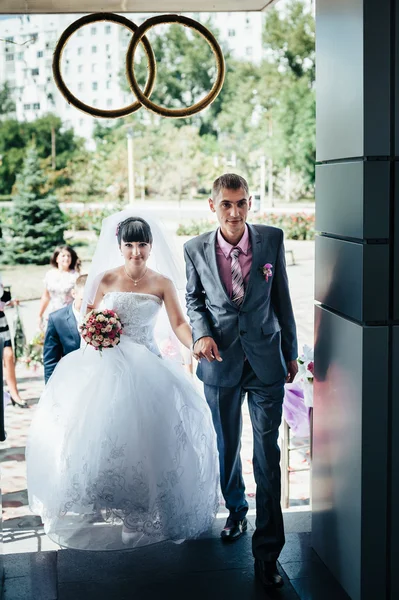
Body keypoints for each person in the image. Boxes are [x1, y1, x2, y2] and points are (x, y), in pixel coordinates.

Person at [26, 212, 219, 551]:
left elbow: (177, 323)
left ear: (150, 246)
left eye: (142, 245)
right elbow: (86, 321)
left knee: (150, 439)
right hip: (107, 367)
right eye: (129, 245)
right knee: (104, 436)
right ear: (119, 246)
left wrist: (197, 343)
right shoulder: (103, 280)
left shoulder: (161, 283)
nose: (136, 252)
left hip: (148, 367)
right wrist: (97, 333)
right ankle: (110, 500)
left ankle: (141, 511)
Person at [184, 173, 298, 590]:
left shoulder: (272, 239)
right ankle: (236, 509)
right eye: (227, 204)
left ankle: (267, 553)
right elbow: (194, 298)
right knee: (226, 445)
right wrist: (201, 333)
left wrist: (290, 352)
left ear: (250, 204)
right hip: (220, 361)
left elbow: (282, 295)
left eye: (242, 203)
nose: (235, 212)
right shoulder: (194, 248)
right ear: (212, 206)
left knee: (267, 454)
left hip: (266, 361)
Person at [43, 274, 88, 383]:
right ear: (74, 293)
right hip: (71, 378)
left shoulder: (104, 317)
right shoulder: (57, 319)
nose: (87, 304)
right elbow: (50, 359)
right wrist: (50, 388)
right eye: (83, 299)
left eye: (91, 299)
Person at [0, 274, 27, 409]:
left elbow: (3, 297)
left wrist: (9, 301)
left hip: (1, 320)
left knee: (9, 355)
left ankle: (14, 393)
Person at [38, 245, 80, 329]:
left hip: (69, 316)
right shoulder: (50, 274)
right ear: (57, 259)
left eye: (69, 256)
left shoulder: (75, 276)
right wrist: (40, 315)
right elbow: (46, 297)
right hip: (53, 314)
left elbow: (79, 299)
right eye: (63, 255)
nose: (66, 258)